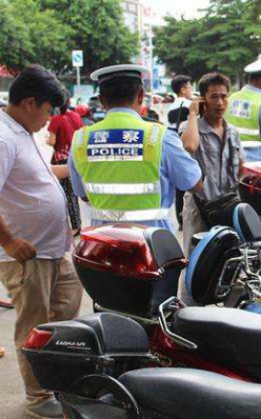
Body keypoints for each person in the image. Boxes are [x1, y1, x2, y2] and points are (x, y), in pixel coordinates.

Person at [0, 65, 83, 419]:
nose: (49, 120)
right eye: (48, 111)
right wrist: (9, 242)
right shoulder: (3, 137)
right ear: (30, 102)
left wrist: (79, 166)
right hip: (27, 253)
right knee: (33, 328)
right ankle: (38, 397)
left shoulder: (21, 132)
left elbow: (41, 177)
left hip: (54, 249)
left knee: (64, 318)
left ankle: (58, 382)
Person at [69, 64, 203, 233]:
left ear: (101, 100)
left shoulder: (80, 140)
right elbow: (194, 184)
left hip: (102, 245)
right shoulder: (161, 137)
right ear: (140, 96)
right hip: (153, 245)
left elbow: (82, 195)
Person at [179, 72, 244, 252]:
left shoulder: (232, 132)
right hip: (200, 210)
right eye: (214, 97)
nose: (220, 103)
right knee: (196, 262)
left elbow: (241, 167)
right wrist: (192, 113)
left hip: (227, 207)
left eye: (223, 96)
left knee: (228, 261)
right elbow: (190, 146)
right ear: (203, 100)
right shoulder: (190, 127)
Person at [47, 92, 83, 235]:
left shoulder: (56, 119)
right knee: (72, 194)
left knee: (63, 195)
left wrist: (45, 139)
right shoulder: (75, 116)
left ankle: (73, 227)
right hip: (75, 157)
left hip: (61, 159)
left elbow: (52, 141)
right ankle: (76, 224)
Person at [167, 75, 193, 230]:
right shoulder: (189, 106)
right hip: (187, 149)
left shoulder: (171, 107)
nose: (191, 90)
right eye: (189, 87)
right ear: (183, 90)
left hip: (174, 148)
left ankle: (181, 218)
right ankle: (189, 217)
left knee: (178, 188)